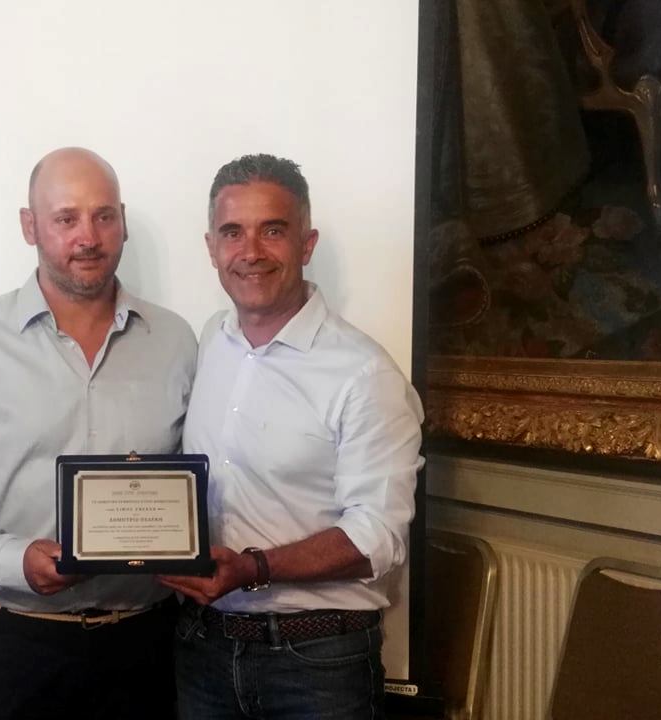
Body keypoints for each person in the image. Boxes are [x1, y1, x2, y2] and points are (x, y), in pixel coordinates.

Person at [0, 147, 196, 720]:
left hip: (147, 646)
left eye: (103, 216)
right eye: (66, 218)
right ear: (29, 226)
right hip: (10, 646)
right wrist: (14, 561)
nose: (89, 237)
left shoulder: (176, 341)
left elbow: (201, 478)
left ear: (123, 222)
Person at [159, 153, 424, 719]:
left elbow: (378, 537)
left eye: (273, 230)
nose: (251, 251)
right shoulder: (211, 341)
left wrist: (254, 567)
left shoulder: (363, 373)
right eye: (233, 232)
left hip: (316, 665)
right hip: (203, 650)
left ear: (307, 244)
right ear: (211, 247)